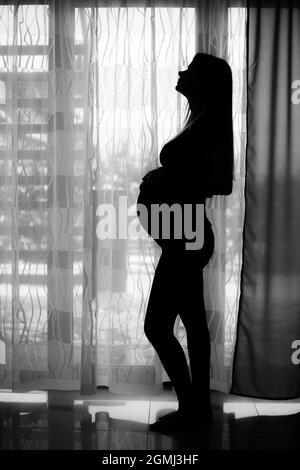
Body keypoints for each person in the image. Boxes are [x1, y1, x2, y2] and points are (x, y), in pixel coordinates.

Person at [137, 53, 234, 432]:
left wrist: (164, 182)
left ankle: (192, 408)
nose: (180, 73)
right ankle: (197, 409)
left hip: (187, 237)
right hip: (182, 235)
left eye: (189, 70)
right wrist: (164, 178)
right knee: (192, 322)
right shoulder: (198, 117)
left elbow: (220, 183)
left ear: (204, 81)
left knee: (157, 326)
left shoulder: (210, 121)